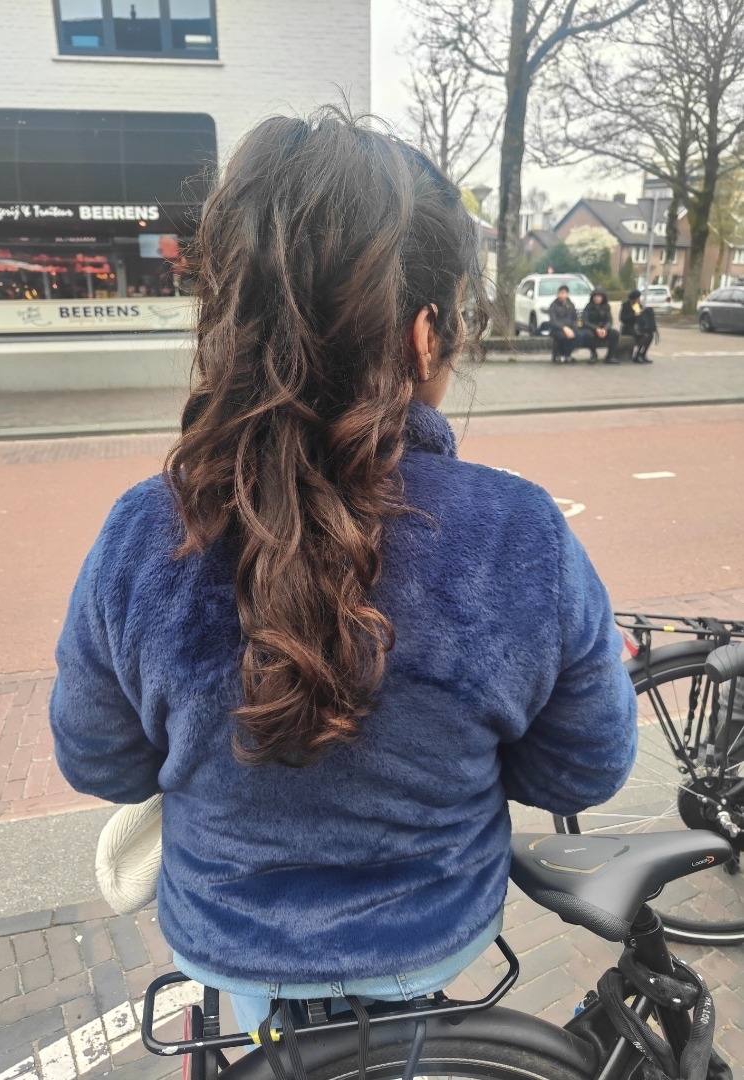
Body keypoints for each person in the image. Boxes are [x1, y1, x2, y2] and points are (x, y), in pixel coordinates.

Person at [49, 110, 637, 1034]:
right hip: (432, 937)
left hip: (224, 938)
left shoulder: (142, 533)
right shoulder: (520, 534)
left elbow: (101, 760)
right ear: (425, 334)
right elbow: (581, 770)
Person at [547, 284, 588, 363]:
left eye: (563, 293)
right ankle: (558, 355)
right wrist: (564, 328)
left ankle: (567, 354)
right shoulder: (553, 306)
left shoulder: (570, 305)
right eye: (560, 293)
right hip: (557, 329)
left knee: (579, 336)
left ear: (567, 294)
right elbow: (553, 321)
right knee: (562, 336)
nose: (561, 295)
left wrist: (573, 328)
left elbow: (574, 318)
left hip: (570, 327)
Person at [582, 287, 619, 364]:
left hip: (603, 329)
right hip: (592, 329)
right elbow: (585, 322)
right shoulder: (588, 307)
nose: (597, 298)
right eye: (595, 296)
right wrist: (596, 328)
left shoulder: (606, 307)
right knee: (588, 335)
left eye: (599, 296)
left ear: (603, 297)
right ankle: (594, 354)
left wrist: (605, 329)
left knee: (614, 333)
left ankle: (610, 356)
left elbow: (609, 321)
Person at [620, 289, 655, 363]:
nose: (638, 300)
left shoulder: (638, 305)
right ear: (632, 299)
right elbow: (622, 318)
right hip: (628, 328)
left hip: (638, 327)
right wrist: (634, 315)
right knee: (643, 336)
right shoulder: (626, 305)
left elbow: (640, 318)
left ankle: (643, 354)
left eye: (639, 298)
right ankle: (637, 355)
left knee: (650, 335)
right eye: (637, 298)